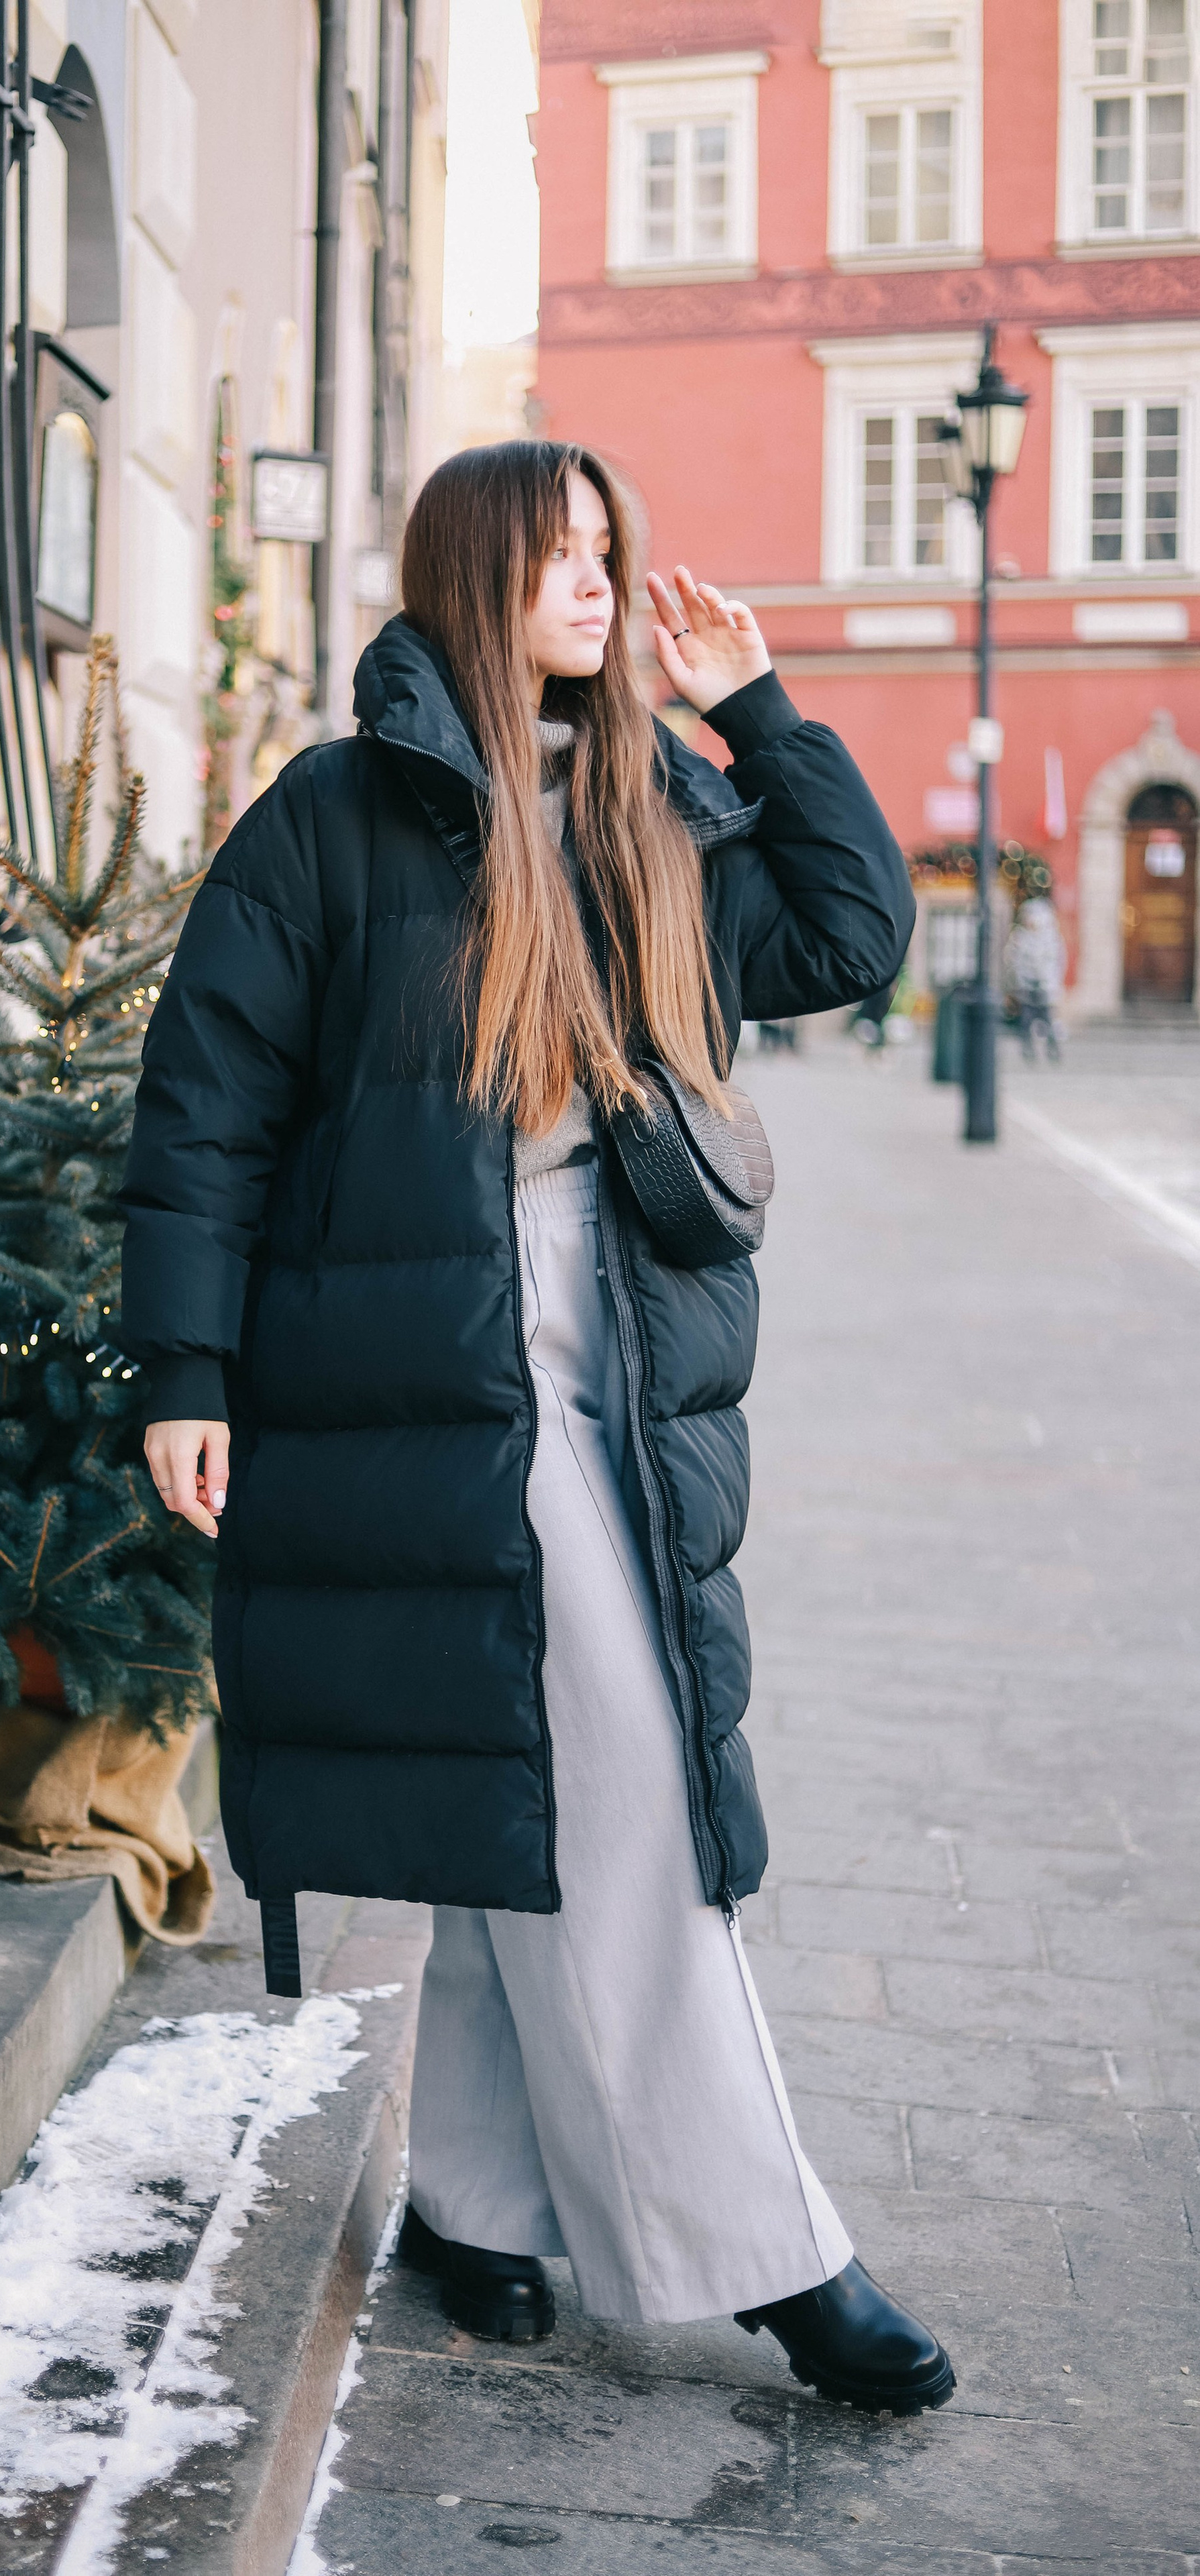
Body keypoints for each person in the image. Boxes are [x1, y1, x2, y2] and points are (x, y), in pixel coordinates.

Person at [121, 441, 951, 2416]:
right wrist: (183, 1369)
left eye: (607, 553)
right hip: (412, 1363)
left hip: (623, 1360)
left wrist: (757, 715)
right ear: (470, 580)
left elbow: (847, 938)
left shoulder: (664, 800)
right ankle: (774, 2252)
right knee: (632, 1783)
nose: (597, 585)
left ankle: (476, 2201)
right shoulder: (339, 815)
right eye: (556, 557)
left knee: (541, 1770)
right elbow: (204, 1102)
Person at [1005, 894, 1066, 1062]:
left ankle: (1053, 1050)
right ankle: (1028, 1050)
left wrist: (1051, 982)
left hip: (1045, 986)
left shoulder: (1051, 938)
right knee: (1025, 1022)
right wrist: (1018, 982)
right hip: (1026, 987)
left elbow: (1058, 962)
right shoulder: (1019, 937)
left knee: (1048, 1020)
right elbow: (1012, 961)